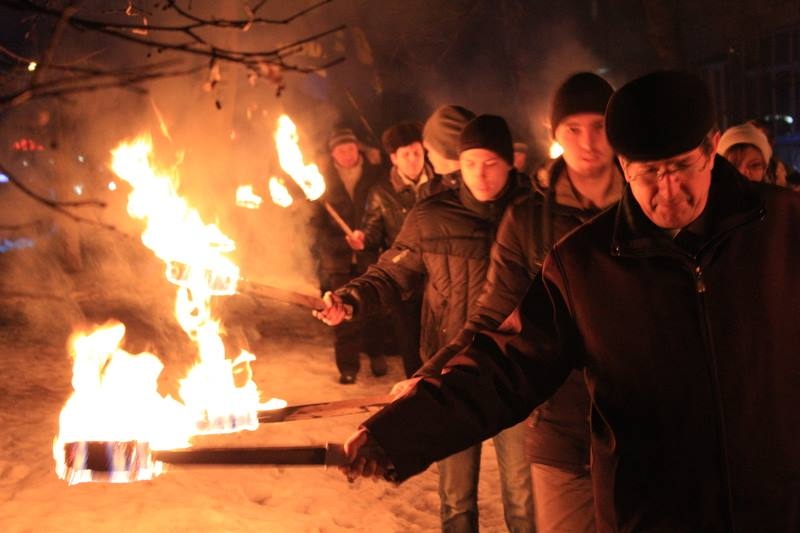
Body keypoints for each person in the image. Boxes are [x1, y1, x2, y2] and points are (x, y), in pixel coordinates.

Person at [339, 70, 800, 532]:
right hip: (654, 509)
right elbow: (507, 365)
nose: (668, 192)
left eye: (681, 167)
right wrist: (397, 434)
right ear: (624, 166)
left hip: (775, 501)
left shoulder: (783, 227)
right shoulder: (586, 262)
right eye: (648, 174)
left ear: (710, 149)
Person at [411, 71, 618, 533]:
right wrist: (430, 375)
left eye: (600, 125)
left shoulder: (647, 206)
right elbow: (490, 317)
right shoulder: (529, 220)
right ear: (556, 135)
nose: (588, 142)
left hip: (641, 427)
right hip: (559, 425)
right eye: (573, 129)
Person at [316, 113, 536, 532]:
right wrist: (350, 300)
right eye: (470, 163)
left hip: (517, 372)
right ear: (457, 161)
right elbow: (391, 273)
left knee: (524, 499)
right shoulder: (432, 215)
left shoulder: (534, 215)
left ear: (510, 162)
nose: (480, 175)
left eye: (491, 163)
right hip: (448, 372)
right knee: (456, 498)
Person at [345, 121, 436, 378]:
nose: (412, 160)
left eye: (416, 152)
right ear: (394, 158)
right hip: (405, 283)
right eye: (405, 155)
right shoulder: (381, 193)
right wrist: (363, 239)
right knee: (411, 345)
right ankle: (415, 397)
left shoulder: (442, 185)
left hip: (440, 279)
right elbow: (373, 232)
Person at [311, 127, 387, 384]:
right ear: (333, 154)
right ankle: (348, 366)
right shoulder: (322, 182)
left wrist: (365, 237)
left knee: (374, 307)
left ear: (358, 149)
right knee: (340, 309)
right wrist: (340, 241)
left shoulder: (375, 176)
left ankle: (377, 355)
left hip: (369, 254)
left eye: (350, 148)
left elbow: (383, 213)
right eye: (340, 150)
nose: (346, 154)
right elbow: (315, 225)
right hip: (338, 260)